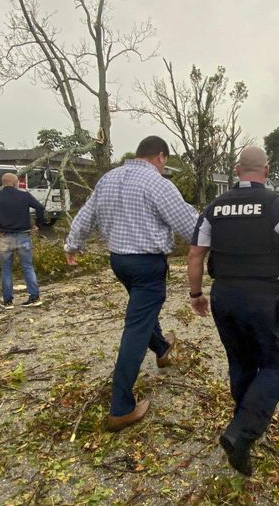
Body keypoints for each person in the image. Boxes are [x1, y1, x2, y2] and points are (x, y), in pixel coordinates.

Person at [188, 147, 279, 476]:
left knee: (241, 361)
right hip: (262, 298)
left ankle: (241, 422)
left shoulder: (214, 207)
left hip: (224, 297)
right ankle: (242, 433)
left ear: (237, 170)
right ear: (266, 169)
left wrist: (196, 294)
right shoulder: (278, 206)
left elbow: (195, 256)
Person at [64, 135, 198, 432]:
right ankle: (120, 408)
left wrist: (73, 244)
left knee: (142, 312)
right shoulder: (158, 184)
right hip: (147, 264)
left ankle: (162, 349)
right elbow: (189, 225)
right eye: (166, 162)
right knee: (136, 327)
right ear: (161, 157)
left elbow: (86, 215)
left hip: (120, 262)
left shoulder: (108, 178)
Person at [0, 173, 48, 309]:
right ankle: (34, 297)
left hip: (4, 236)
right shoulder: (24, 195)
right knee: (28, 267)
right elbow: (40, 207)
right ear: (15, 183)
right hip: (23, 235)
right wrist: (39, 225)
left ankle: (8, 301)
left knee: (6, 269)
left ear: (3, 183)